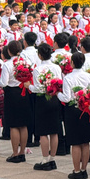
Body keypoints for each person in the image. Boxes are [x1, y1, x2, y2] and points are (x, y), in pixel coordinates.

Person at [58, 53, 90, 179]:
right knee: (85, 142)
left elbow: (67, 97)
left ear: (72, 63)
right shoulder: (88, 76)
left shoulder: (68, 78)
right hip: (85, 109)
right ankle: (84, 169)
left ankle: (76, 170)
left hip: (72, 110)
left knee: (75, 142)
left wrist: (58, 94)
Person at [29, 43, 63, 171]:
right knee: (54, 130)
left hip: (42, 99)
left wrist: (29, 87)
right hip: (54, 97)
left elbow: (37, 87)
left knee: (43, 132)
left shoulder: (37, 69)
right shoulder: (57, 68)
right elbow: (59, 83)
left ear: (39, 55)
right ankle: (52, 159)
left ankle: (45, 159)